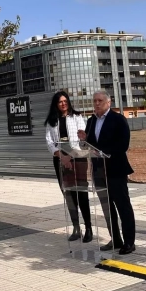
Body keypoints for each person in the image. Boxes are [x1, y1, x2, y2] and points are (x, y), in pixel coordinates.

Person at [79, 91, 136, 255]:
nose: (96, 103)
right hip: (98, 171)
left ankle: (129, 241)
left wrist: (104, 152)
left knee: (123, 206)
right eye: (94, 101)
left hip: (116, 170)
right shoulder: (91, 121)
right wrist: (84, 139)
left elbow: (123, 145)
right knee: (107, 207)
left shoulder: (118, 119)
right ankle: (115, 239)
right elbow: (89, 146)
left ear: (108, 102)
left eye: (100, 100)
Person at [44, 91, 93, 243]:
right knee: (69, 194)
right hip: (60, 160)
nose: (63, 104)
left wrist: (71, 155)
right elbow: (49, 142)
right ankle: (76, 227)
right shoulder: (51, 122)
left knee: (82, 194)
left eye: (65, 101)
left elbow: (82, 139)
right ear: (56, 104)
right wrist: (61, 156)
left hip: (78, 159)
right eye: (60, 102)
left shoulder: (77, 117)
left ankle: (88, 229)